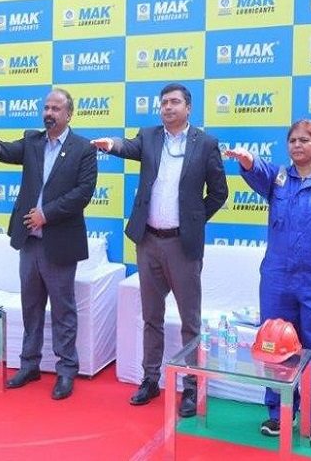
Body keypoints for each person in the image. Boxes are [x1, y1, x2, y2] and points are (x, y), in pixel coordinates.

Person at [224, 118, 311, 448]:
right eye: (292, 140)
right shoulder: (278, 180)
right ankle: (279, 411)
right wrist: (248, 160)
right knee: (275, 344)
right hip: (278, 279)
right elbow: (258, 171)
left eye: (305, 140)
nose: (297, 145)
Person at [92, 83, 227, 414]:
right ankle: (150, 379)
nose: (168, 107)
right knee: (151, 316)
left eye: (174, 102)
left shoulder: (205, 143)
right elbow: (128, 146)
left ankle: (191, 387)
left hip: (183, 244)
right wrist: (111, 145)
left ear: (188, 108)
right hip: (149, 241)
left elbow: (219, 192)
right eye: (164, 102)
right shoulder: (149, 136)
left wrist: (194, 220)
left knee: (190, 322)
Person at [0, 88, 97, 400]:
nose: (49, 113)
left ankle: (66, 370)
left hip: (60, 242)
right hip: (30, 243)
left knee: (63, 311)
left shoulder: (83, 148)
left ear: (69, 114)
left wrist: (47, 214)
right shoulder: (32, 141)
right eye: (46, 108)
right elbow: (6, 151)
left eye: (56, 109)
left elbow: (83, 193)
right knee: (31, 308)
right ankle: (29, 365)